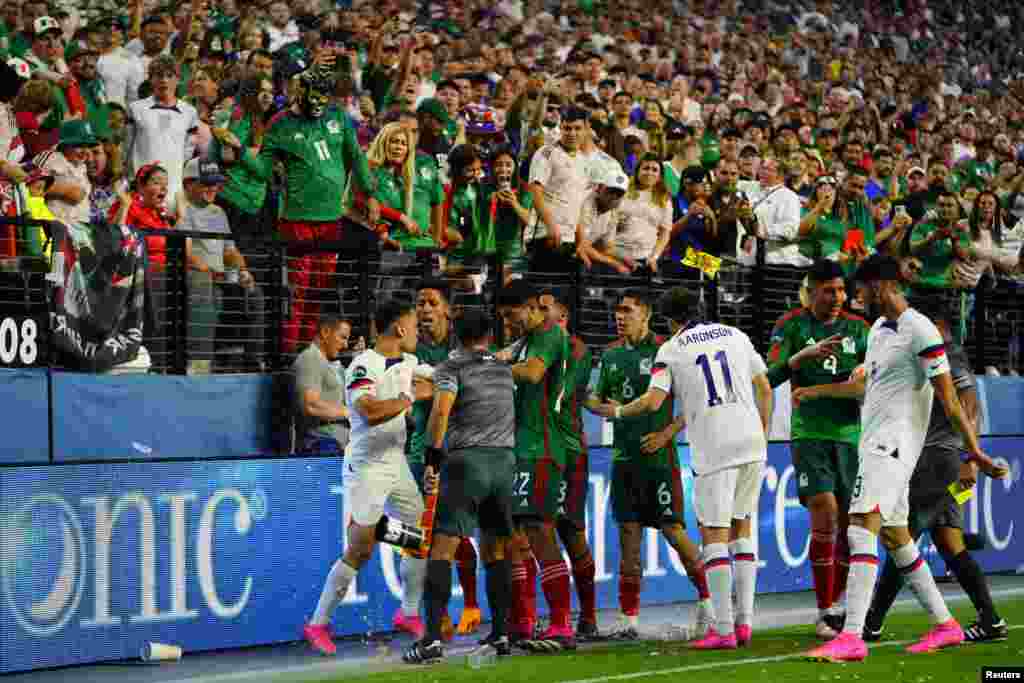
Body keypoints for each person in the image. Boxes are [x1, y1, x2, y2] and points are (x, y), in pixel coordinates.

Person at [805, 254, 1005, 662]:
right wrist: (854, 377)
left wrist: (975, 452)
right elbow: (878, 384)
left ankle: (854, 636)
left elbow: (950, 400)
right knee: (897, 538)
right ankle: (946, 625)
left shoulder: (920, 330)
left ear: (880, 286)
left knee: (861, 529)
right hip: (874, 443)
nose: (856, 295)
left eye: (861, 286)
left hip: (893, 447)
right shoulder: (879, 329)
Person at [610, 286, 772, 650]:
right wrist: (762, 430)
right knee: (742, 529)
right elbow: (764, 386)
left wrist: (618, 411)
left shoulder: (671, 348)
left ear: (668, 320)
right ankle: (745, 622)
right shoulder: (736, 334)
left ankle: (724, 629)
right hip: (752, 443)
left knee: (714, 535)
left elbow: (653, 402)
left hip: (716, 446)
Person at [854, 303, 1009, 643]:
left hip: (937, 457)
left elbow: (966, 403)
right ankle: (991, 620)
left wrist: (970, 456)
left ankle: (872, 621)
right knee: (948, 541)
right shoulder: (936, 348)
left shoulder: (940, 349)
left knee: (901, 536)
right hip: (941, 455)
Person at [303, 296, 434, 657]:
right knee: (360, 549)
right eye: (415, 326)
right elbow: (370, 410)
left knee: (419, 536)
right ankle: (318, 623)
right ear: (401, 328)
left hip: (397, 462)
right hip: (366, 466)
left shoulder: (408, 362)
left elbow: (434, 382)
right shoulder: (363, 365)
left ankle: (408, 613)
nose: (419, 334)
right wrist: (409, 399)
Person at [585, 289, 714, 640]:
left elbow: (691, 401)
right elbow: (594, 399)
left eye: (627, 310)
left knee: (673, 530)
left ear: (645, 314)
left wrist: (667, 434)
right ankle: (629, 619)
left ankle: (710, 602)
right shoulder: (610, 355)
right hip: (624, 458)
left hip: (658, 458)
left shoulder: (666, 350)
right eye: (617, 311)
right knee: (628, 536)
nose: (620, 317)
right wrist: (602, 408)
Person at [403, 309, 517, 664]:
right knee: (496, 551)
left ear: (456, 333)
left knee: (442, 549)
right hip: (503, 463)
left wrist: (433, 459)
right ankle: (501, 634)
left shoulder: (451, 368)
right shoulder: (502, 368)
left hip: (466, 463)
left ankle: (432, 640)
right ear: (488, 334)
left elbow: (440, 413)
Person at [765, 259, 870, 639]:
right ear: (811, 292)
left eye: (842, 290)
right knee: (824, 510)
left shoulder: (860, 329)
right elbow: (770, 375)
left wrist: (861, 372)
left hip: (849, 436)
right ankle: (825, 609)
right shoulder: (790, 325)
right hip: (809, 434)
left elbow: (867, 384)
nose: (838, 297)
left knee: (846, 525)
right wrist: (798, 359)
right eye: (829, 290)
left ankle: (838, 603)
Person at [495, 279, 575, 651]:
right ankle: (524, 622)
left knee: (540, 531)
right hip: (519, 448)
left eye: (512, 316)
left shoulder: (547, 332)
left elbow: (532, 373)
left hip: (540, 447)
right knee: (517, 538)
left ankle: (561, 622)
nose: (509, 324)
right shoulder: (525, 340)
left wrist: (491, 369)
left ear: (530, 308)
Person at [402, 278, 480, 639]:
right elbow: (412, 391)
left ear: (449, 310)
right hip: (421, 453)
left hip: (459, 452)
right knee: (426, 538)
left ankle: (471, 605)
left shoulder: (462, 348)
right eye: (420, 303)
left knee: (458, 536)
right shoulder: (409, 349)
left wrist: (435, 387)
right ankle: (436, 613)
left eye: (432, 303)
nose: (425, 309)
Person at [539, 290, 600, 640]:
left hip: (567, 452)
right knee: (532, 531)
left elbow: (555, 396)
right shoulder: (530, 344)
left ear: (562, 317)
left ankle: (587, 617)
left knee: (570, 531)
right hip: (536, 452)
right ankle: (538, 620)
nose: (538, 314)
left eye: (545, 309)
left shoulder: (576, 351)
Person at [291, 315, 351, 455]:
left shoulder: (331, 364)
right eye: (343, 337)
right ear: (325, 332)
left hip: (341, 440)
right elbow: (311, 405)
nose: (345, 345)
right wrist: (351, 413)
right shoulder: (310, 358)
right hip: (321, 442)